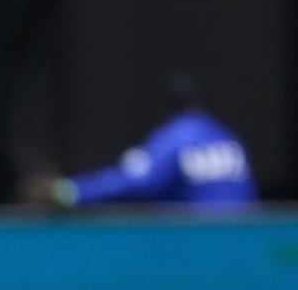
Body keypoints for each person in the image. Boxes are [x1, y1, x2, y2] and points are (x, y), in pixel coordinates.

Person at [51, 75, 257, 209]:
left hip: (198, 247)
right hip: (241, 243)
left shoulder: (175, 137)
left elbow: (136, 181)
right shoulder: (229, 138)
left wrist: (72, 191)